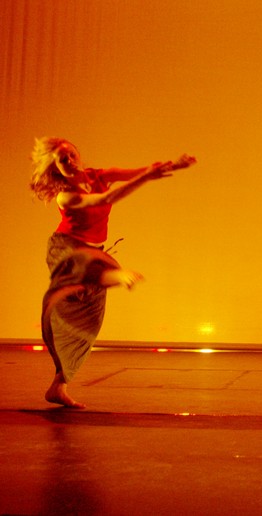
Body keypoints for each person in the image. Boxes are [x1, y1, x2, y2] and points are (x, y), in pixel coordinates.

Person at [29, 137, 196, 408]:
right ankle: (116, 276)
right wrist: (146, 178)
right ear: (56, 168)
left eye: (71, 154)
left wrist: (174, 165)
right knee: (89, 266)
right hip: (67, 251)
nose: (69, 160)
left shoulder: (99, 175)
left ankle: (58, 386)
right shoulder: (65, 196)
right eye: (62, 159)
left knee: (89, 324)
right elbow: (107, 198)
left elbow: (140, 171)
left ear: (78, 154)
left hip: (94, 252)